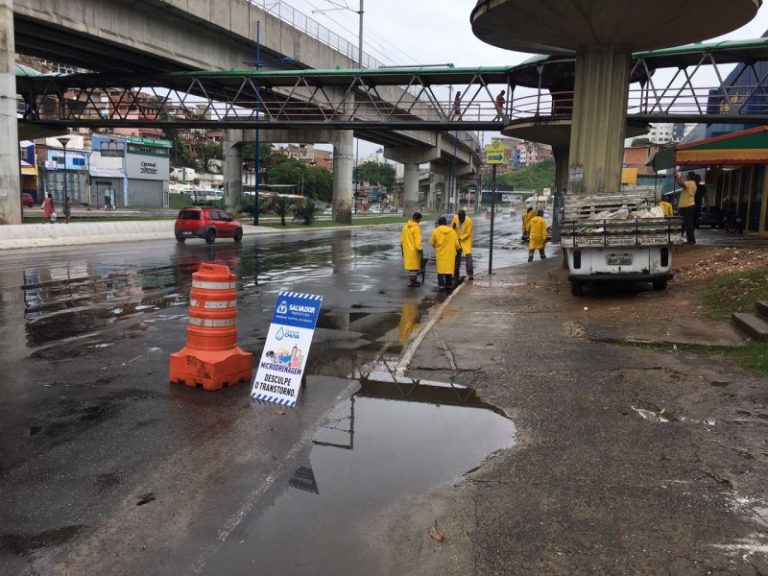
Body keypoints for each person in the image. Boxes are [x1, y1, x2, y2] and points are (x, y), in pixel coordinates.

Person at [430, 216, 461, 290]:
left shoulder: (435, 231)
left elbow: (432, 242)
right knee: (448, 270)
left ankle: (441, 286)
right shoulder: (452, 231)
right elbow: (457, 244)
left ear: (439, 223)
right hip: (450, 254)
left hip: (440, 254)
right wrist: (459, 249)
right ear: (446, 223)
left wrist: (436, 247)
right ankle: (449, 285)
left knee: (441, 270)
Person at [400, 212, 423, 287]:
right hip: (414, 251)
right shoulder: (416, 228)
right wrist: (420, 250)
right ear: (418, 219)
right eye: (420, 219)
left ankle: (411, 281)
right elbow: (417, 241)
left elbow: (402, 239)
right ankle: (412, 282)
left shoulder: (405, 226)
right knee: (414, 268)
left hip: (407, 250)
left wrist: (402, 248)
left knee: (411, 268)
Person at [674, 170, 697, 244]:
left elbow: (681, 184)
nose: (687, 176)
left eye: (688, 175)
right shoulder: (693, 184)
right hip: (688, 206)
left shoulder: (690, 183)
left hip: (687, 206)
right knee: (684, 224)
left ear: (691, 177)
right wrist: (676, 178)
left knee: (687, 224)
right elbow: (680, 183)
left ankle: (691, 240)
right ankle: (681, 238)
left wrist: (678, 176)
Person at [451, 209, 474, 281]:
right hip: (457, 240)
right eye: (459, 218)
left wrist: (461, 238)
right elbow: (452, 229)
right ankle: (456, 274)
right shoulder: (455, 218)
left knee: (468, 256)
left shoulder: (469, 221)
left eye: (462, 218)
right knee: (456, 257)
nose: (461, 220)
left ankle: (470, 274)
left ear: (464, 216)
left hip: (466, 240)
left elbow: (468, 232)